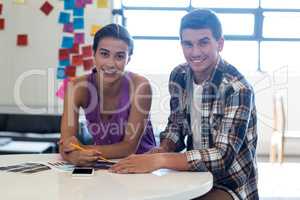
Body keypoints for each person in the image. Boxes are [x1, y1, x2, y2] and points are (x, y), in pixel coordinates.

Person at [110, 9, 258, 200]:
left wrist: (161, 160)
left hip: (232, 183)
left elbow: (222, 157)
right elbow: (176, 127)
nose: (195, 52)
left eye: (203, 42)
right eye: (188, 44)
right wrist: (162, 149)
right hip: (194, 175)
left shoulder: (237, 89)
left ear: (219, 44)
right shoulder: (179, 75)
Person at [59, 24, 156, 166]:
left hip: (142, 166)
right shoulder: (76, 87)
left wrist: (79, 150)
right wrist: (71, 155)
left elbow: (129, 147)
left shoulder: (140, 86)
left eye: (120, 56)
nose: (111, 64)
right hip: (103, 163)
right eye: (104, 54)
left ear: (128, 59)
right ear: (93, 54)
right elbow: (66, 142)